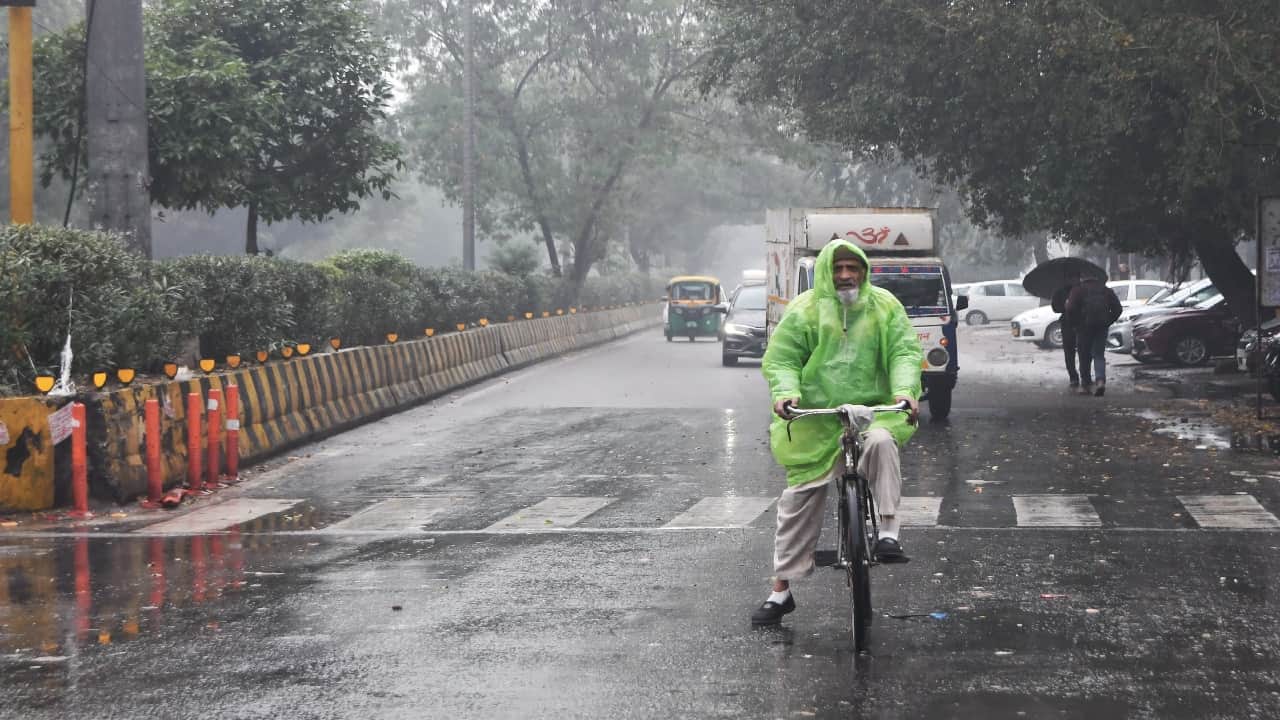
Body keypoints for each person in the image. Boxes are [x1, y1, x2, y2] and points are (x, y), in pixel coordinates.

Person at [751, 239, 923, 627]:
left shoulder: (885, 307)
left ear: (863, 270)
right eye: (839, 268)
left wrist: (904, 392)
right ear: (827, 272)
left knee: (881, 442)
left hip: (874, 411)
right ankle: (781, 592)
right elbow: (782, 358)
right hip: (815, 417)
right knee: (798, 499)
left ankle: (890, 532)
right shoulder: (805, 310)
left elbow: (904, 353)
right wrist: (786, 393)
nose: (846, 275)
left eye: (853, 268)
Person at [1066, 275, 1123, 397]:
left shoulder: (1078, 290)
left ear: (1083, 278)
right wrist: (1108, 321)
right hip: (1102, 327)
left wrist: (1075, 324)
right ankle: (1100, 381)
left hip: (1083, 327)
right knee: (1098, 354)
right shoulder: (1105, 290)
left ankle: (1085, 385)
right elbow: (1118, 309)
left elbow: (1070, 308)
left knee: (1084, 355)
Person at [1050, 273, 1081, 387]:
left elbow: (1055, 308)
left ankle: (1077, 377)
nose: (1075, 279)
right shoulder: (1062, 291)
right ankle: (1075, 377)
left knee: (1075, 352)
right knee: (1073, 352)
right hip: (1072, 323)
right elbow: (1055, 308)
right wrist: (1065, 306)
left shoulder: (1079, 290)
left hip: (1075, 323)